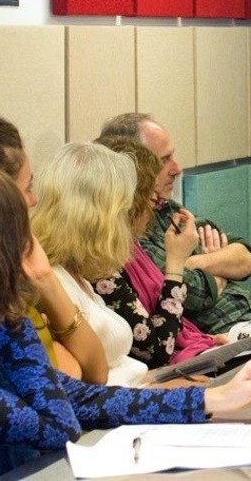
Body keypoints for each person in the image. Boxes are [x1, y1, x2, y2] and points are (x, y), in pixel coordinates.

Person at [0, 162, 251, 480]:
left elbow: (79, 397)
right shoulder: (3, 321)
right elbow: (59, 426)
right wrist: (36, 282)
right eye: (22, 236)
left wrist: (214, 398)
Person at [0, 114, 108, 384]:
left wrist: (45, 280)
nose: (34, 200)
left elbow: (93, 373)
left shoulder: (17, 270)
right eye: (27, 187)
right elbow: (68, 380)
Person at [99, 114, 251, 335]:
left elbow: (247, 259)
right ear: (135, 169)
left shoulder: (166, 208)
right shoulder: (129, 233)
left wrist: (191, 261)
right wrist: (221, 268)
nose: (177, 169)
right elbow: (195, 293)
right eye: (163, 161)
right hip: (223, 336)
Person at [31, 143, 164, 386]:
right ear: (97, 217)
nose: (125, 223)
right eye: (122, 212)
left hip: (139, 392)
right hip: (123, 404)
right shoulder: (53, 282)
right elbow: (88, 387)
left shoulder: (75, 274)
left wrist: (167, 384)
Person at [92, 135, 221, 369]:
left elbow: (246, 256)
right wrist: (176, 263)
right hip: (156, 374)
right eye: (148, 193)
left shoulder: (129, 245)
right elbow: (158, 351)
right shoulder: (100, 267)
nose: (154, 202)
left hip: (191, 347)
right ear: (125, 200)